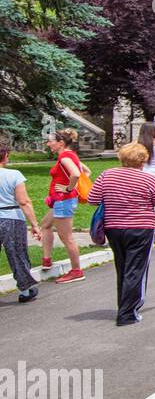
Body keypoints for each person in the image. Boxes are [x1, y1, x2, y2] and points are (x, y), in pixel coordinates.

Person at [86, 143, 155, 326]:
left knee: (123, 266)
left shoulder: (107, 175)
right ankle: (127, 313)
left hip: (114, 228)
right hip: (141, 228)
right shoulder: (149, 180)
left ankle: (124, 305)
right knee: (136, 270)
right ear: (143, 160)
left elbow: (92, 199)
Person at [0, 138, 42, 304]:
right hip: (11, 217)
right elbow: (24, 201)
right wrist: (34, 225)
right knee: (17, 253)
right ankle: (25, 290)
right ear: (6, 156)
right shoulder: (14, 175)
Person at [40, 128, 85, 284]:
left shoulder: (65, 157)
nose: (48, 144)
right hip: (62, 201)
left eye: (51, 141)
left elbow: (76, 174)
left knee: (67, 238)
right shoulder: (70, 155)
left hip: (64, 201)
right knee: (45, 224)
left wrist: (68, 188)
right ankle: (46, 259)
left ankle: (76, 271)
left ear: (60, 143)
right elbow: (86, 170)